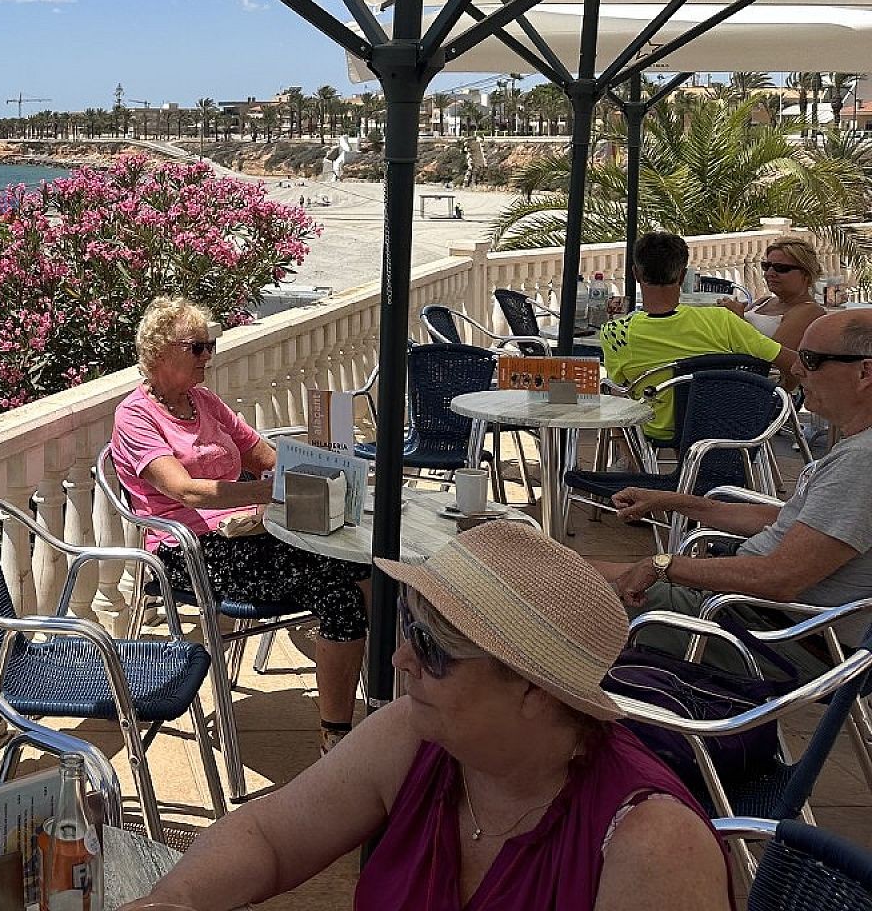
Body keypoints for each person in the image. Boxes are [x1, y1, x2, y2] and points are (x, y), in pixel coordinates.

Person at [123, 522, 730, 911]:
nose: (400, 658)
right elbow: (271, 836)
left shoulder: (653, 847)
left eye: (433, 648)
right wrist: (174, 901)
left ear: (534, 691)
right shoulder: (416, 737)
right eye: (409, 626)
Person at [111, 296, 367, 753]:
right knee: (338, 589)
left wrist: (326, 465)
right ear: (159, 351)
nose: (208, 355)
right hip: (186, 551)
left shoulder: (204, 401)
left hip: (244, 533)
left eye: (210, 345)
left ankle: (380, 694)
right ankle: (337, 735)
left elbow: (262, 454)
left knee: (363, 565)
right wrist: (263, 493)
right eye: (197, 347)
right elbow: (186, 491)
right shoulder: (134, 416)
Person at [594, 308, 872, 672]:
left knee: (552, 595)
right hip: (750, 612)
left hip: (762, 633)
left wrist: (665, 566)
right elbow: (793, 522)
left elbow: (780, 579)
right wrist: (676, 501)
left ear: (864, 373)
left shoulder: (861, 461)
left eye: (810, 359)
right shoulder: (858, 451)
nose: (796, 368)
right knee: (563, 569)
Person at [600, 231, 799, 442]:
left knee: (612, 394)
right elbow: (794, 363)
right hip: (726, 429)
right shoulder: (723, 320)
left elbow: (618, 391)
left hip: (656, 429)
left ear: (635, 274)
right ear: (683, 276)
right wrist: (773, 399)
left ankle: (631, 459)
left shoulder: (616, 333)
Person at [719, 235, 827, 354]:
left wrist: (738, 319)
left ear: (806, 274)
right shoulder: (765, 301)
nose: (769, 273)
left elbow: (775, 355)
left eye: (780, 268)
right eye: (766, 266)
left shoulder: (809, 311)